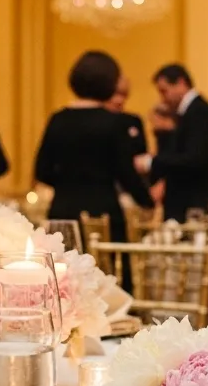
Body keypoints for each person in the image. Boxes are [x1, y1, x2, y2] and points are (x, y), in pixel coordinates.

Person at [36, 51, 155, 245]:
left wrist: (69, 184)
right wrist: (147, 202)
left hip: (63, 212)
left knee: (62, 271)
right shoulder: (114, 123)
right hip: (102, 213)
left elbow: (42, 171)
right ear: (110, 84)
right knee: (106, 272)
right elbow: (126, 173)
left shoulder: (58, 120)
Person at [136, 64, 208, 221]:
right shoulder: (189, 113)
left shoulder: (200, 112)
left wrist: (151, 162)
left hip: (196, 203)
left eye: (164, 91)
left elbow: (195, 158)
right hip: (189, 202)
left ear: (181, 83)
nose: (162, 98)